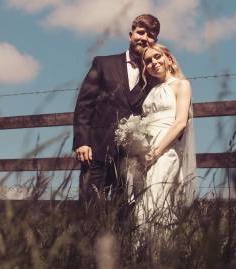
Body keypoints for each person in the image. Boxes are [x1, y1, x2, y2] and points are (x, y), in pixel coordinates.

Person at [73, 14, 160, 204]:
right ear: (131, 35)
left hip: (131, 159)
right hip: (96, 152)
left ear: (155, 41)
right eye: (141, 32)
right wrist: (82, 141)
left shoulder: (154, 74)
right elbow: (84, 104)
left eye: (151, 35)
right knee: (90, 210)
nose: (145, 38)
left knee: (124, 216)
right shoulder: (103, 64)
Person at [124, 43, 197, 228]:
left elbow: (180, 122)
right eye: (148, 61)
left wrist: (156, 152)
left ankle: (159, 251)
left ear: (169, 59)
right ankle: (142, 252)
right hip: (144, 153)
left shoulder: (181, 85)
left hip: (165, 150)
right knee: (142, 204)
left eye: (157, 57)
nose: (153, 62)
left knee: (156, 199)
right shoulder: (151, 91)